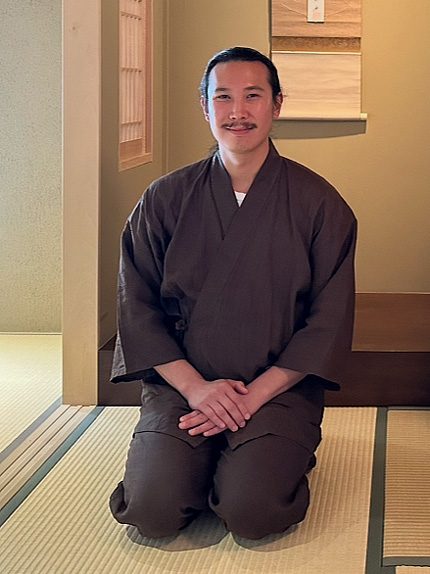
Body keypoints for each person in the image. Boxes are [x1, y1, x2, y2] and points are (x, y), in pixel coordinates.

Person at [109, 46, 357, 540]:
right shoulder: (164, 199)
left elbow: (327, 321)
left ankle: (269, 453)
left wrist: (250, 399)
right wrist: (197, 390)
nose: (237, 111)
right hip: (184, 388)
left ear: (277, 105)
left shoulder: (320, 204)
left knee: (253, 511)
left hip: (276, 392)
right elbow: (137, 307)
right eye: (223, 97)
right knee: (152, 510)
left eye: (253, 96)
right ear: (205, 106)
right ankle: (205, 460)